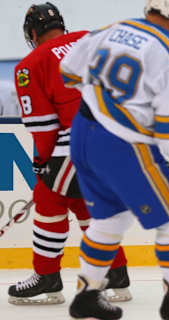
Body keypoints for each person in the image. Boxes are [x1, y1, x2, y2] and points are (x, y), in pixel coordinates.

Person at [60, 0, 169, 319]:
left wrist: (109, 105)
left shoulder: (111, 29)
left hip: (82, 132)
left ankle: (87, 294)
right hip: (122, 146)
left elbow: (68, 71)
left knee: (110, 219)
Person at [9, 2, 131, 305]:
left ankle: (47, 278)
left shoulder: (31, 64)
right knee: (81, 199)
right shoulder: (93, 39)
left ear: (33, 33)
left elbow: (44, 127)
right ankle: (115, 272)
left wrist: (41, 164)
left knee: (49, 195)